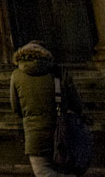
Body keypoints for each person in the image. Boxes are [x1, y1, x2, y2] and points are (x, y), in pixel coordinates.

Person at [11, 40, 84, 176]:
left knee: (42, 171)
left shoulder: (16, 75)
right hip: (62, 131)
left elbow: (15, 107)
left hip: (34, 134)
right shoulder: (59, 72)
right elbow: (76, 103)